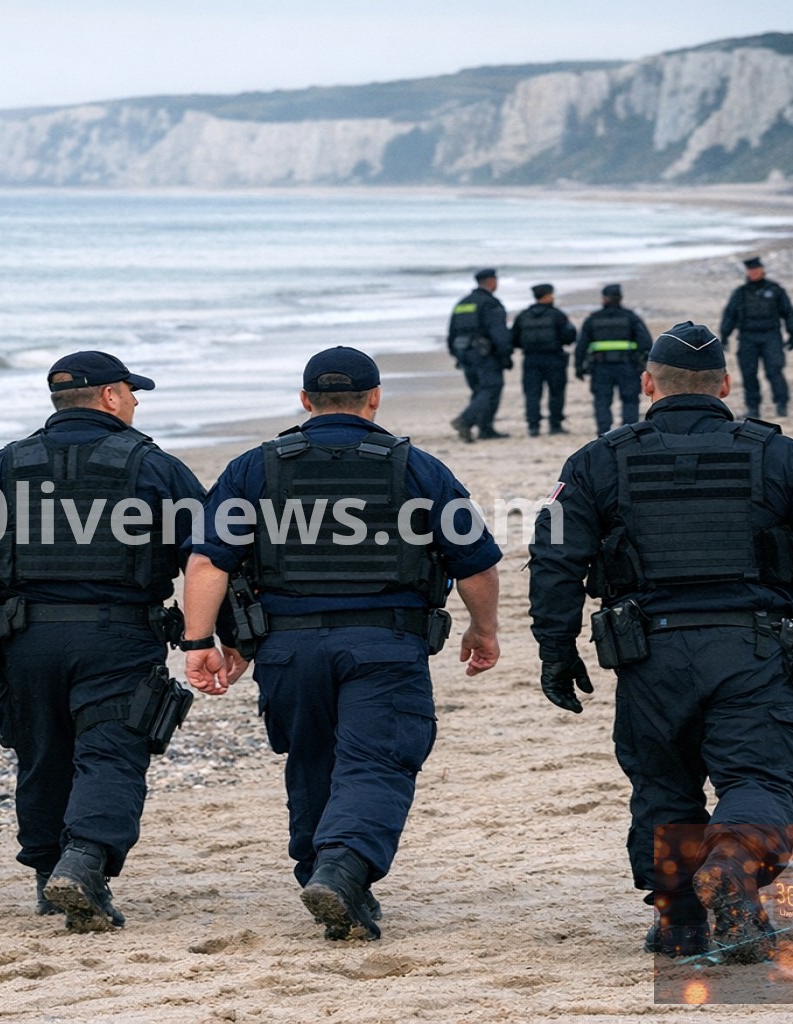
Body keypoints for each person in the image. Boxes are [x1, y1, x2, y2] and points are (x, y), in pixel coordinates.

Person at [527, 321, 793, 963]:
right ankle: (733, 867)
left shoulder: (597, 460)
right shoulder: (780, 455)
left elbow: (554, 560)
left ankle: (679, 922)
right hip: (753, 650)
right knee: (761, 772)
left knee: (663, 784)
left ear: (647, 385)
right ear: (725, 385)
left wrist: (556, 649)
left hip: (648, 655)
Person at [180, 346, 503, 942]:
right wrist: (483, 629)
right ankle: (343, 868)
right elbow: (475, 563)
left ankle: (324, 876)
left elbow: (208, 562)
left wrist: (199, 640)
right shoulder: (416, 467)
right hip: (385, 643)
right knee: (378, 760)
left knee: (312, 761)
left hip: (289, 650)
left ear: (305, 401)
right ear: (374, 398)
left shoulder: (254, 468)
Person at [0, 351, 205, 932]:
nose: (135, 401)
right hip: (119, 635)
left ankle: (50, 876)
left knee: (42, 754)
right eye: (131, 391)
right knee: (112, 750)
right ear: (109, 397)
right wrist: (217, 635)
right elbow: (206, 554)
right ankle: (85, 861)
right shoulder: (153, 466)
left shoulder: (2, 466)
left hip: (26, 640)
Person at [719, 257, 793, 419]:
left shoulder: (775, 290)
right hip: (747, 337)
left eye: (756, 269)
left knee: (774, 371)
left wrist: (792, 334)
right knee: (749, 373)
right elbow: (730, 315)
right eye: (750, 270)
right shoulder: (741, 293)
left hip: (771, 336)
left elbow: (788, 313)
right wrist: (724, 336)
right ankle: (753, 408)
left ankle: (781, 405)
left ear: (762, 270)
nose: (753, 273)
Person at [575, 284, 654, 436]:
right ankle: (629, 434)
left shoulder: (593, 319)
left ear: (603, 299)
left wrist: (579, 367)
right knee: (630, 400)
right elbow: (646, 343)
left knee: (602, 401)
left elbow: (581, 345)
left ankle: (603, 434)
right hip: (627, 366)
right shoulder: (631, 318)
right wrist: (644, 365)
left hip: (601, 367)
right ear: (620, 298)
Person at [446, 268, 511, 443]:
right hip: (484, 354)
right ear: (492, 282)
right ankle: (465, 420)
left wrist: (456, 354)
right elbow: (499, 332)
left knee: (479, 390)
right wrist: (505, 354)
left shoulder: (462, 303)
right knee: (491, 388)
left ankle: (485, 428)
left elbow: (452, 331)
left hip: (463, 352)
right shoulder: (490, 303)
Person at [511, 283, 577, 436]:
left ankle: (533, 426)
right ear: (547, 296)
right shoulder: (557, 315)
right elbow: (569, 336)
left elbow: (513, 338)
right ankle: (555, 425)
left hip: (531, 359)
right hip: (554, 358)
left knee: (532, 394)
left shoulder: (523, 315)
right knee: (556, 393)